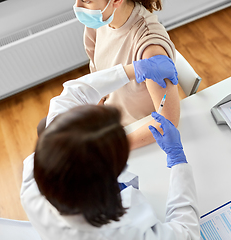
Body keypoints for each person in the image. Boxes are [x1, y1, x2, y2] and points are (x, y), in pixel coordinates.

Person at [21, 58, 200, 239]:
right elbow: (186, 233)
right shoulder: (123, 232)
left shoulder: (34, 177)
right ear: (104, 183)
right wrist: (178, 162)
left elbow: (75, 93)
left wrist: (133, 70)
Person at [74, 0, 180, 150]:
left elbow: (167, 121)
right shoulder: (98, 23)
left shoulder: (149, 48)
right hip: (112, 124)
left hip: (138, 135)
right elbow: (99, 82)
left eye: (86, 0)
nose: (77, 6)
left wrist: (111, 145)